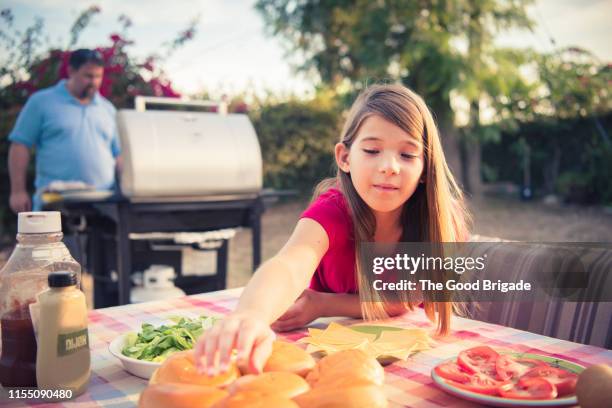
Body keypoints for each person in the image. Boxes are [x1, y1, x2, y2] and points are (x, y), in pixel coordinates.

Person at [195, 84, 470, 376]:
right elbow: (289, 265)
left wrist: (323, 304)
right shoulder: (333, 211)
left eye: (407, 154)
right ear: (345, 157)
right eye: (373, 150)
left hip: (405, 360)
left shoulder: (440, 222)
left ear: (426, 168)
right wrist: (251, 315)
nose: (389, 166)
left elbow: (405, 298)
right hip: (321, 359)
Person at [8, 48, 122, 213]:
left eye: (98, 76)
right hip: (56, 201)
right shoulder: (42, 102)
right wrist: (17, 192)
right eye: (88, 76)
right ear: (71, 71)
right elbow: (20, 145)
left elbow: (118, 154)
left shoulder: (107, 108)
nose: (94, 82)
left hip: (104, 202)